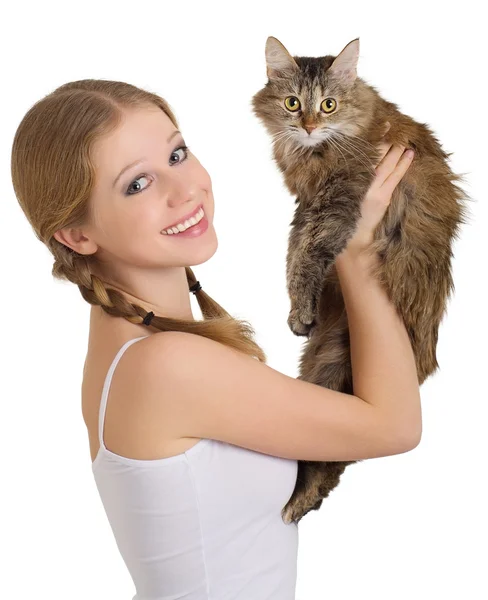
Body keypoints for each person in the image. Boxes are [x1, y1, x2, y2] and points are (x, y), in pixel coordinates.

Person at [10, 79, 419, 600]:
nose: (184, 191)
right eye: (137, 184)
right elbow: (395, 426)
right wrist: (357, 252)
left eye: (177, 154)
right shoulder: (166, 363)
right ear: (76, 235)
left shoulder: (136, 343)